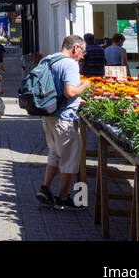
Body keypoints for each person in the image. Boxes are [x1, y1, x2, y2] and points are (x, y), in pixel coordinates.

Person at [36, 35, 90, 210]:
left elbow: (55, 89)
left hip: (48, 114)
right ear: (75, 48)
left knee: (54, 153)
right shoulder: (70, 64)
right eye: (83, 51)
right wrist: (85, 86)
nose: (83, 56)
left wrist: (75, 99)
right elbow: (69, 91)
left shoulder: (48, 59)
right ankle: (63, 197)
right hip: (64, 118)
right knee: (70, 159)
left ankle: (45, 189)